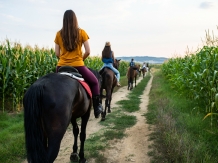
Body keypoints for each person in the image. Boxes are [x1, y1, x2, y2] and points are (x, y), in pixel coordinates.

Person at [54, 9, 102, 118]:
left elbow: (57, 53)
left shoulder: (58, 34)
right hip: (78, 65)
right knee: (94, 82)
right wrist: (80, 59)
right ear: (75, 19)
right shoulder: (81, 32)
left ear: (64, 20)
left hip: (61, 66)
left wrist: (64, 59)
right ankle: (97, 106)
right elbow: (88, 51)